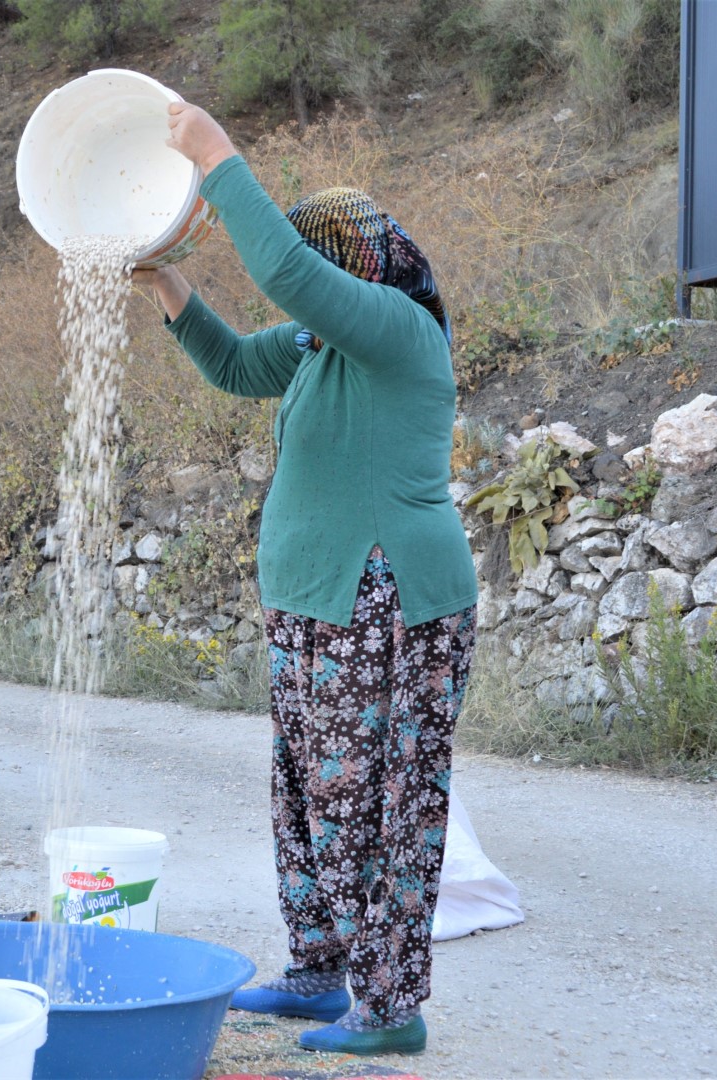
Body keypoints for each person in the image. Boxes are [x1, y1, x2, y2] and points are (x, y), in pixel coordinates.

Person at [134, 102, 479, 1056]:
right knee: (306, 793)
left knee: (378, 804)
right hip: (316, 609)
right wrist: (164, 277)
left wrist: (211, 153)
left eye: (327, 264)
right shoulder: (319, 347)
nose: (310, 287)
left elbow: (285, 269)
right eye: (312, 266)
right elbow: (235, 363)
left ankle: (390, 1008)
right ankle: (323, 973)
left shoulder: (398, 331)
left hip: (390, 605)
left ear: (360, 264)